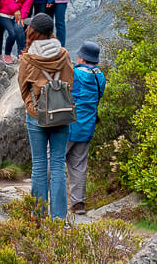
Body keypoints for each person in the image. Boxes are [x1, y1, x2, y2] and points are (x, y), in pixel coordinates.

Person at [18, 14, 74, 219]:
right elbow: (70, 82)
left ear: (33, 32)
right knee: (58, 164)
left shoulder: (29, 59)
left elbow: (23, 87)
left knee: (39, 165)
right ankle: (59, 219)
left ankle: (39, 217)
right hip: (61, 114)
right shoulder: (64, 54)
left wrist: (32, 105)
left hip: (37, 115)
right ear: (51, 32)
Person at [66, 41, 106, 215]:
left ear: (81, 57)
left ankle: (41, 198)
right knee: (79, 165)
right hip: (88, 126)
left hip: (69, 124)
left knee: (53, 159)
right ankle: (78, 203)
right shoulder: (100, 77)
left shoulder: (75, 74)